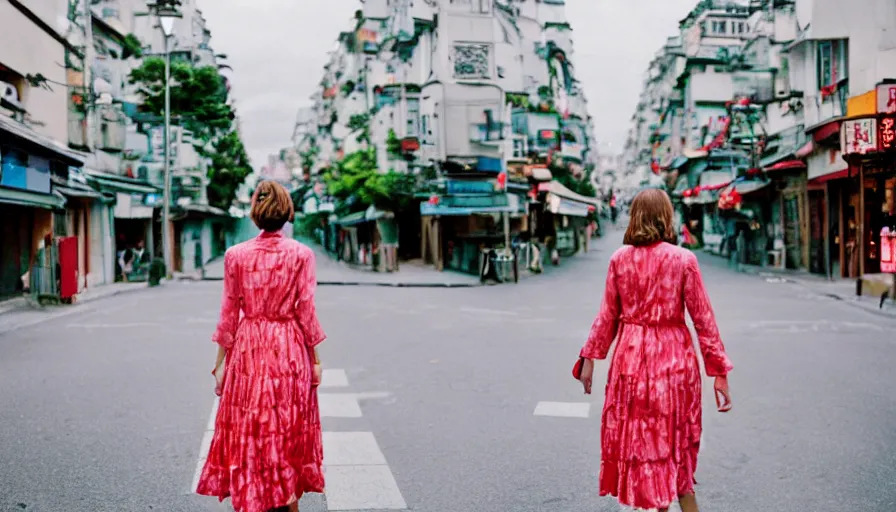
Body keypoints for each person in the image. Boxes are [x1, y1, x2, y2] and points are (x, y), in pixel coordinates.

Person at [576, 188, 733, 512]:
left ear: (634, 217)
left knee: (641, 448)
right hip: (674, 364)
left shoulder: (619, 260)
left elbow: (607, 315)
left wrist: (588, 358)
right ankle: (680, 497)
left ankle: (654, 503)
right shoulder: (683, 260)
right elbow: (703, 318)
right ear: (666, 216)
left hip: (630, 362)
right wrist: (718, 373)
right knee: (675, 455)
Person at [196, 180, 326, 512]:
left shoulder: (234, 256)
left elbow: (228, 313)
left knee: (250, 434)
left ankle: (253, 500)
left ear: (255, 214)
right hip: (289, 349)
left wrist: (220, 363)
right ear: (287, 214)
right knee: (285, 435)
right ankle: (287, 501)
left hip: (248, 349)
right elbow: (306, 311)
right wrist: (316, 359)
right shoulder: (302, 255)